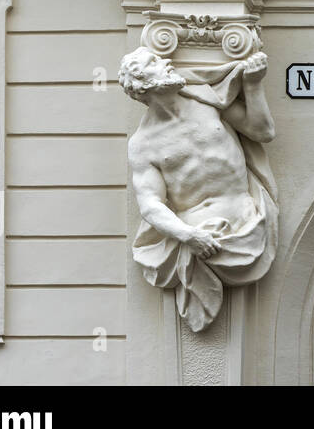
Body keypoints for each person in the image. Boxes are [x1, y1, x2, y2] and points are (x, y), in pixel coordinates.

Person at [118, 46, 278, 331]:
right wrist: (188, 236)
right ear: (142, 84)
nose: (166, 61)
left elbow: (262, 132)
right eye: (155, 61)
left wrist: (253, 85)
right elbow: (150, 203)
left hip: (247, 222)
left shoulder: (205, 98)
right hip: (199, 238)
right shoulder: (143, 144)